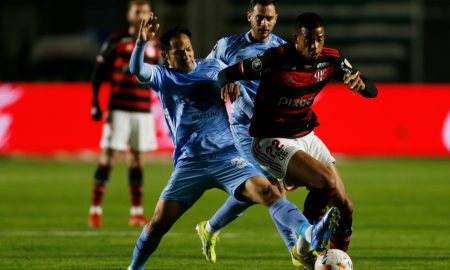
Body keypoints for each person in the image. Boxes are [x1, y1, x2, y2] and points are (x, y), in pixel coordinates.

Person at [126, 15, 339, 270]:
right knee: (158, 224)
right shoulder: (163, 77)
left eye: (189, 49)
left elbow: (230, 80)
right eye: (178, 52)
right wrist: (140, 44)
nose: (187, 55)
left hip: (228, 157)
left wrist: (232, 85)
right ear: (166, 56)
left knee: (267, 191)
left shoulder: (213, 67)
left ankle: (309, 232)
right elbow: (137, 70)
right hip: (191, 163)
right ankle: (133, 269)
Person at [218, 12, 378, 270]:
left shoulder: (331, 59)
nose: (315, 45)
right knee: (324, 181)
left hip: (306, 134)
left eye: (319, 39)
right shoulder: (276, 58)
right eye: (309, 40)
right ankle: (304, 249)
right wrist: (228, 83)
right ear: (296, 40)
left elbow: (372, 90)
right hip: (271, 138)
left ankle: (332, 261)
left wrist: (360, 85)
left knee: (345, 207)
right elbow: (228, 73)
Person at [194, 0, 303, 268]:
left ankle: (210, 227)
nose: (264, 23)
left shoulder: (281, 49)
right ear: (249, 17)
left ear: (276, 19)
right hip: (244, 128)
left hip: (275, 126)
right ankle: (297, 252)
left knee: (260, 190)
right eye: (259, 18)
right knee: (273, 188)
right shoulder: (227, 46)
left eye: (269, 18)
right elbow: (205, 71)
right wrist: (225, 77)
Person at [88, 0, 160, 228]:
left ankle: (136, 212)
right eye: (136, 10)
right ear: (128, 14)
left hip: (143, 110)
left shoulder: (155, 45)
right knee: (108, 157)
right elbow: (99, 71)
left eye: (144, 10)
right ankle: (95, 209)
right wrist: (95, 102)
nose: (140, 13)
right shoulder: (116, 40)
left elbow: (159, 76)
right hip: (118, 108)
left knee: (138, 161)